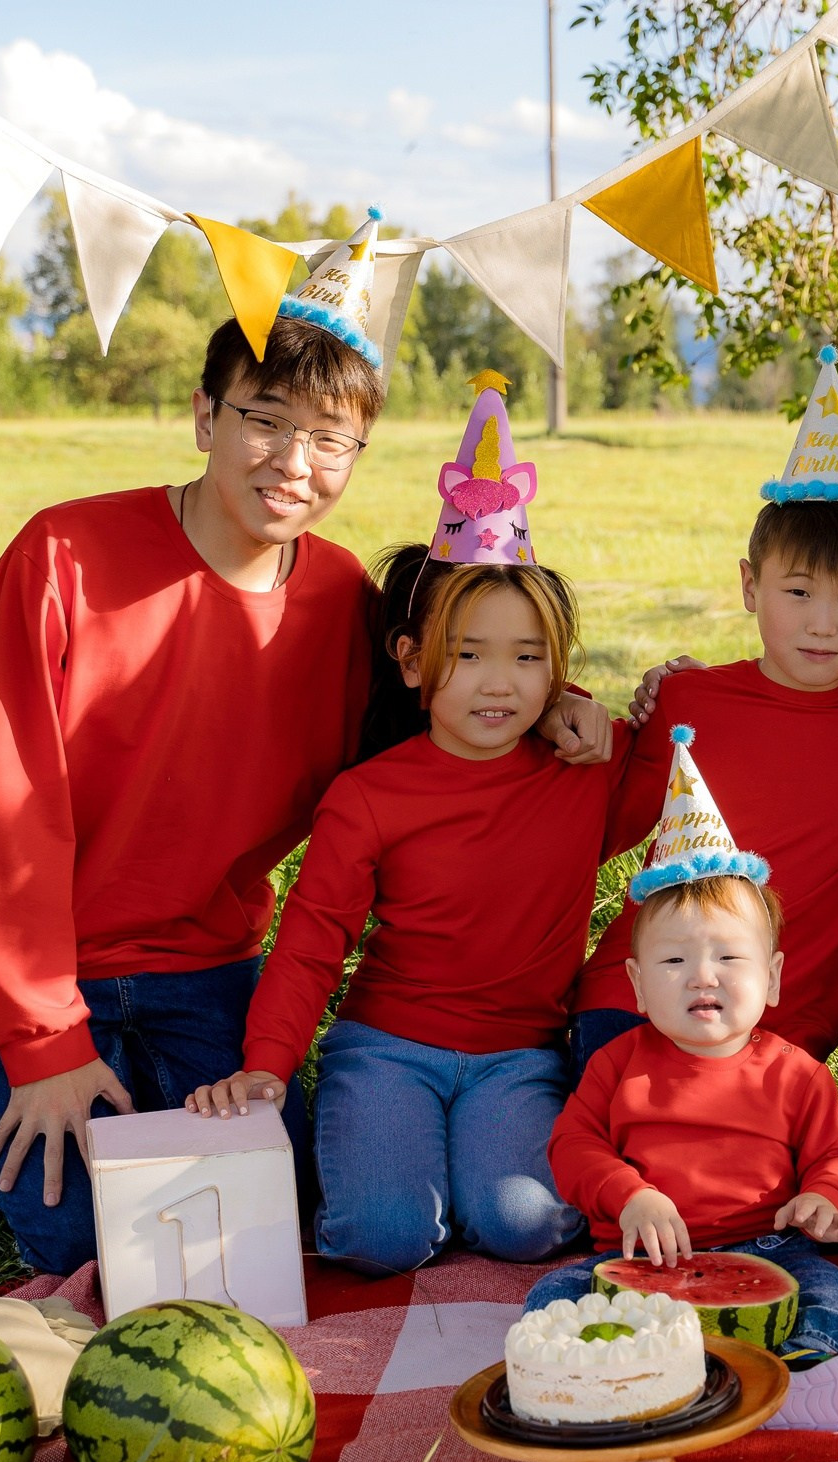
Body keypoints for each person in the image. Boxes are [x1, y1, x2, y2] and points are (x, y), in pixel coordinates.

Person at [0, 212, 616, 1277]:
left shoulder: (343, 596)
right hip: (37, 968)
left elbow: (437, 705)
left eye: (332, 438)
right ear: (204, 414)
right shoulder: (62, 554)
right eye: (265, 419)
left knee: (263, 1222)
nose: (295, 462)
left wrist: (562, 702)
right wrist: (42, 1045)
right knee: (83, 1249)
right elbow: (12, 815)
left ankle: (107, 1096)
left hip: (210, 962)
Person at [183, 378, 634, 1272]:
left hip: (520, 1056)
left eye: (528, 658)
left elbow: (698, 748)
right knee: (381, 1238)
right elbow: (312, 938)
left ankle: (471, 1167)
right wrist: (271, 1061)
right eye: (468, 655)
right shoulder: (371, 795)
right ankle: (400, 1164)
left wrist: (599, 706)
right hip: (388, 1046)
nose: (498, 683)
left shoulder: (584, 767)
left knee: (527, 1224)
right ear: (413, 660)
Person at [534, 756, 838, 1433]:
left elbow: (837, 1154)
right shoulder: (619, 1063)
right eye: (674, 961)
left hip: (768, 1249)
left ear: (773, 977)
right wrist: (630, 1192)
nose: (703, 976)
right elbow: (572, 1145)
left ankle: (792, 1383)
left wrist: (827, 1199)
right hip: (635, 1259)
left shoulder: (797, 1073)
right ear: (639, 985)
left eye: (730, 958)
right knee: (550, 1296)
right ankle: (621, 1386)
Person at [574, 347, 838, 1072]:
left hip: (783, 1026)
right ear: (750, 585)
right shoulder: (690, 699)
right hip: (636, 1003)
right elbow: (594, 828)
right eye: (797, 592)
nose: (822, 624)